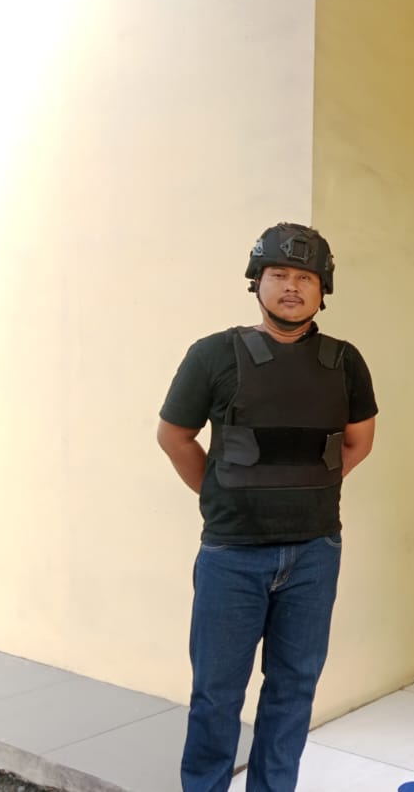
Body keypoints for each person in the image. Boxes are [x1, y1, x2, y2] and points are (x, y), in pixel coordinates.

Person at [157, 222, 377, 792]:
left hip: (314, 553)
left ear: (323, 289)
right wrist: (223, 495)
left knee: (293, 691)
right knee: (216, 695)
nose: (292, 287)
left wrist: (306, 486)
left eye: (305, 277)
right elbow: (174, 437)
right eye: (279, 274)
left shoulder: (345, 361)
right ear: (257, 281)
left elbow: (358, 443)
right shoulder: (212, 354)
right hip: (232, 555)